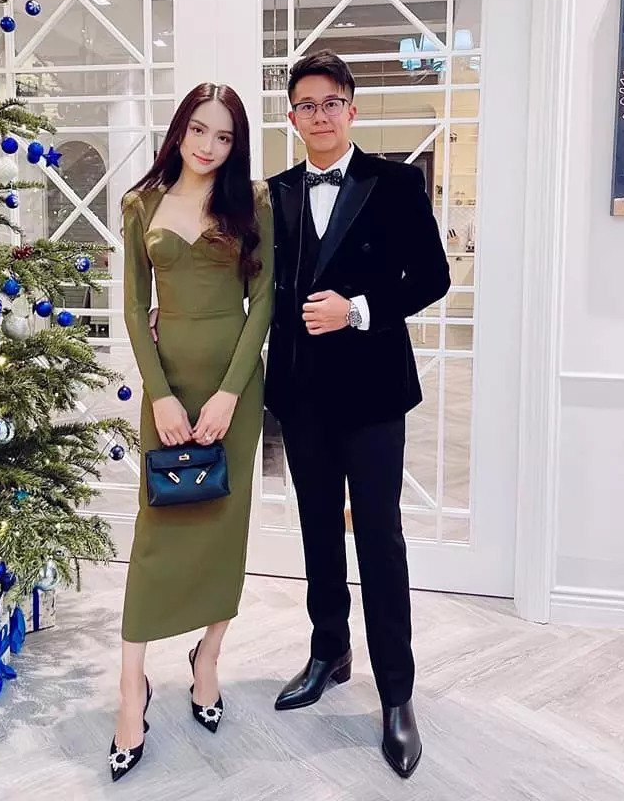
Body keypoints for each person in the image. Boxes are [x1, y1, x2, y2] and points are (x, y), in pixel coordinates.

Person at [265, 50, 450, 779]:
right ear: (293, 116)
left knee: (379, 538)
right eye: (306, 105)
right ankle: (329, 652)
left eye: (331, 102)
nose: (320, 116)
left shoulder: (395, 183)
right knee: (317, 531)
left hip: (373, 394)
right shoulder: (275, 192)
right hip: (302, 393)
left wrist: (359, 309)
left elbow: (432, 277)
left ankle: (396, 693)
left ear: (352, 108)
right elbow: (254, 285)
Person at [111, 83, 273, 782]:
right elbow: (132, 308)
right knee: (156, 532)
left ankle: (208, 657)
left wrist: (231, 393)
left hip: (234, 387)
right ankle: (131, 689)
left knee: (222, 525)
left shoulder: (252, 202)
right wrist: (160, 396)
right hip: (168, 389)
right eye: (199, 130)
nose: (209, 146)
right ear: (179, 131)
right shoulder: (140, 204)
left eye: (225, 136)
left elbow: (262, 302)